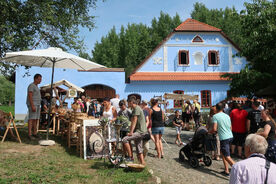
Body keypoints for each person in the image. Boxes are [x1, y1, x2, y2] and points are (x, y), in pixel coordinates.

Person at [209, 103, 235, 175]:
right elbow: (230, 128)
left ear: (216, 109)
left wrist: (209, 132)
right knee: (223, 153)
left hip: (224, 138)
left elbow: (214, 129)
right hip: (230, 136)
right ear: (223, 108)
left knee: (227, 156)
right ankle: (226, 170)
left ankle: (239, 170)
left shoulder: (215, 116)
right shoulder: (227, 116)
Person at [122, 98, 147, 165]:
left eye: (128, 103)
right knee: (139, 148)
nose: (127, 104)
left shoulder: (137, 109)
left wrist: (131, 132)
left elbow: (134, 121)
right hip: (139, 131)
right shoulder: (134, 109)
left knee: (124, 139)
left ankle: (130, 157)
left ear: (131, 102)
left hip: (140, 131)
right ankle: (142, 163)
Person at [26, 73, 42, 140]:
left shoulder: (36, 86)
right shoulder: (31, 86)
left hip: (37, 105)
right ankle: (29, 134)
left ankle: (34, 133)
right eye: (39, 79)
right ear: (35, 79)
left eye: (41, 79)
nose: (40, 81)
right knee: (31, 119)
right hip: (33, 104)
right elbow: (30, 95)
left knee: (35, 119)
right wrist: (32, 105)